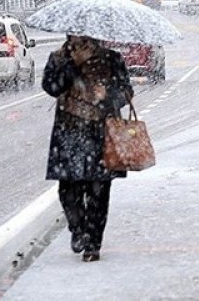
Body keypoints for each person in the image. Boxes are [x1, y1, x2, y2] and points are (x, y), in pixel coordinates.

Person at [42, 35, 134, 261]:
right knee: (68, 189)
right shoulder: (59, 58)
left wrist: (107, 95)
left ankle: (93, 243)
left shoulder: (111, 59)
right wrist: (73, 66)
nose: (79, 38)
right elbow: (51, 87)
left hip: (101, 135)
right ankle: (77, 229)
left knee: (98, 192)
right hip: (69, 133)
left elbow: (126, 92)